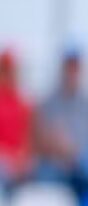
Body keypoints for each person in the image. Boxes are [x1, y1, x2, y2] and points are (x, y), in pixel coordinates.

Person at [33, 48, 88, 200]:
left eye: (76, 67)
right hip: (55, 173)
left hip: (85, 172)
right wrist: (58, 146)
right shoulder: (48, 103)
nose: (72, 72)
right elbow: (39, 142)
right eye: (70, 66)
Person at [0, 47, 34, 191]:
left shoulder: (24, 103)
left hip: (20, 167)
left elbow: (29, 140)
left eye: (13, 70)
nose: (10, 74)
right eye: (6, 70)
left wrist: (23, 159)